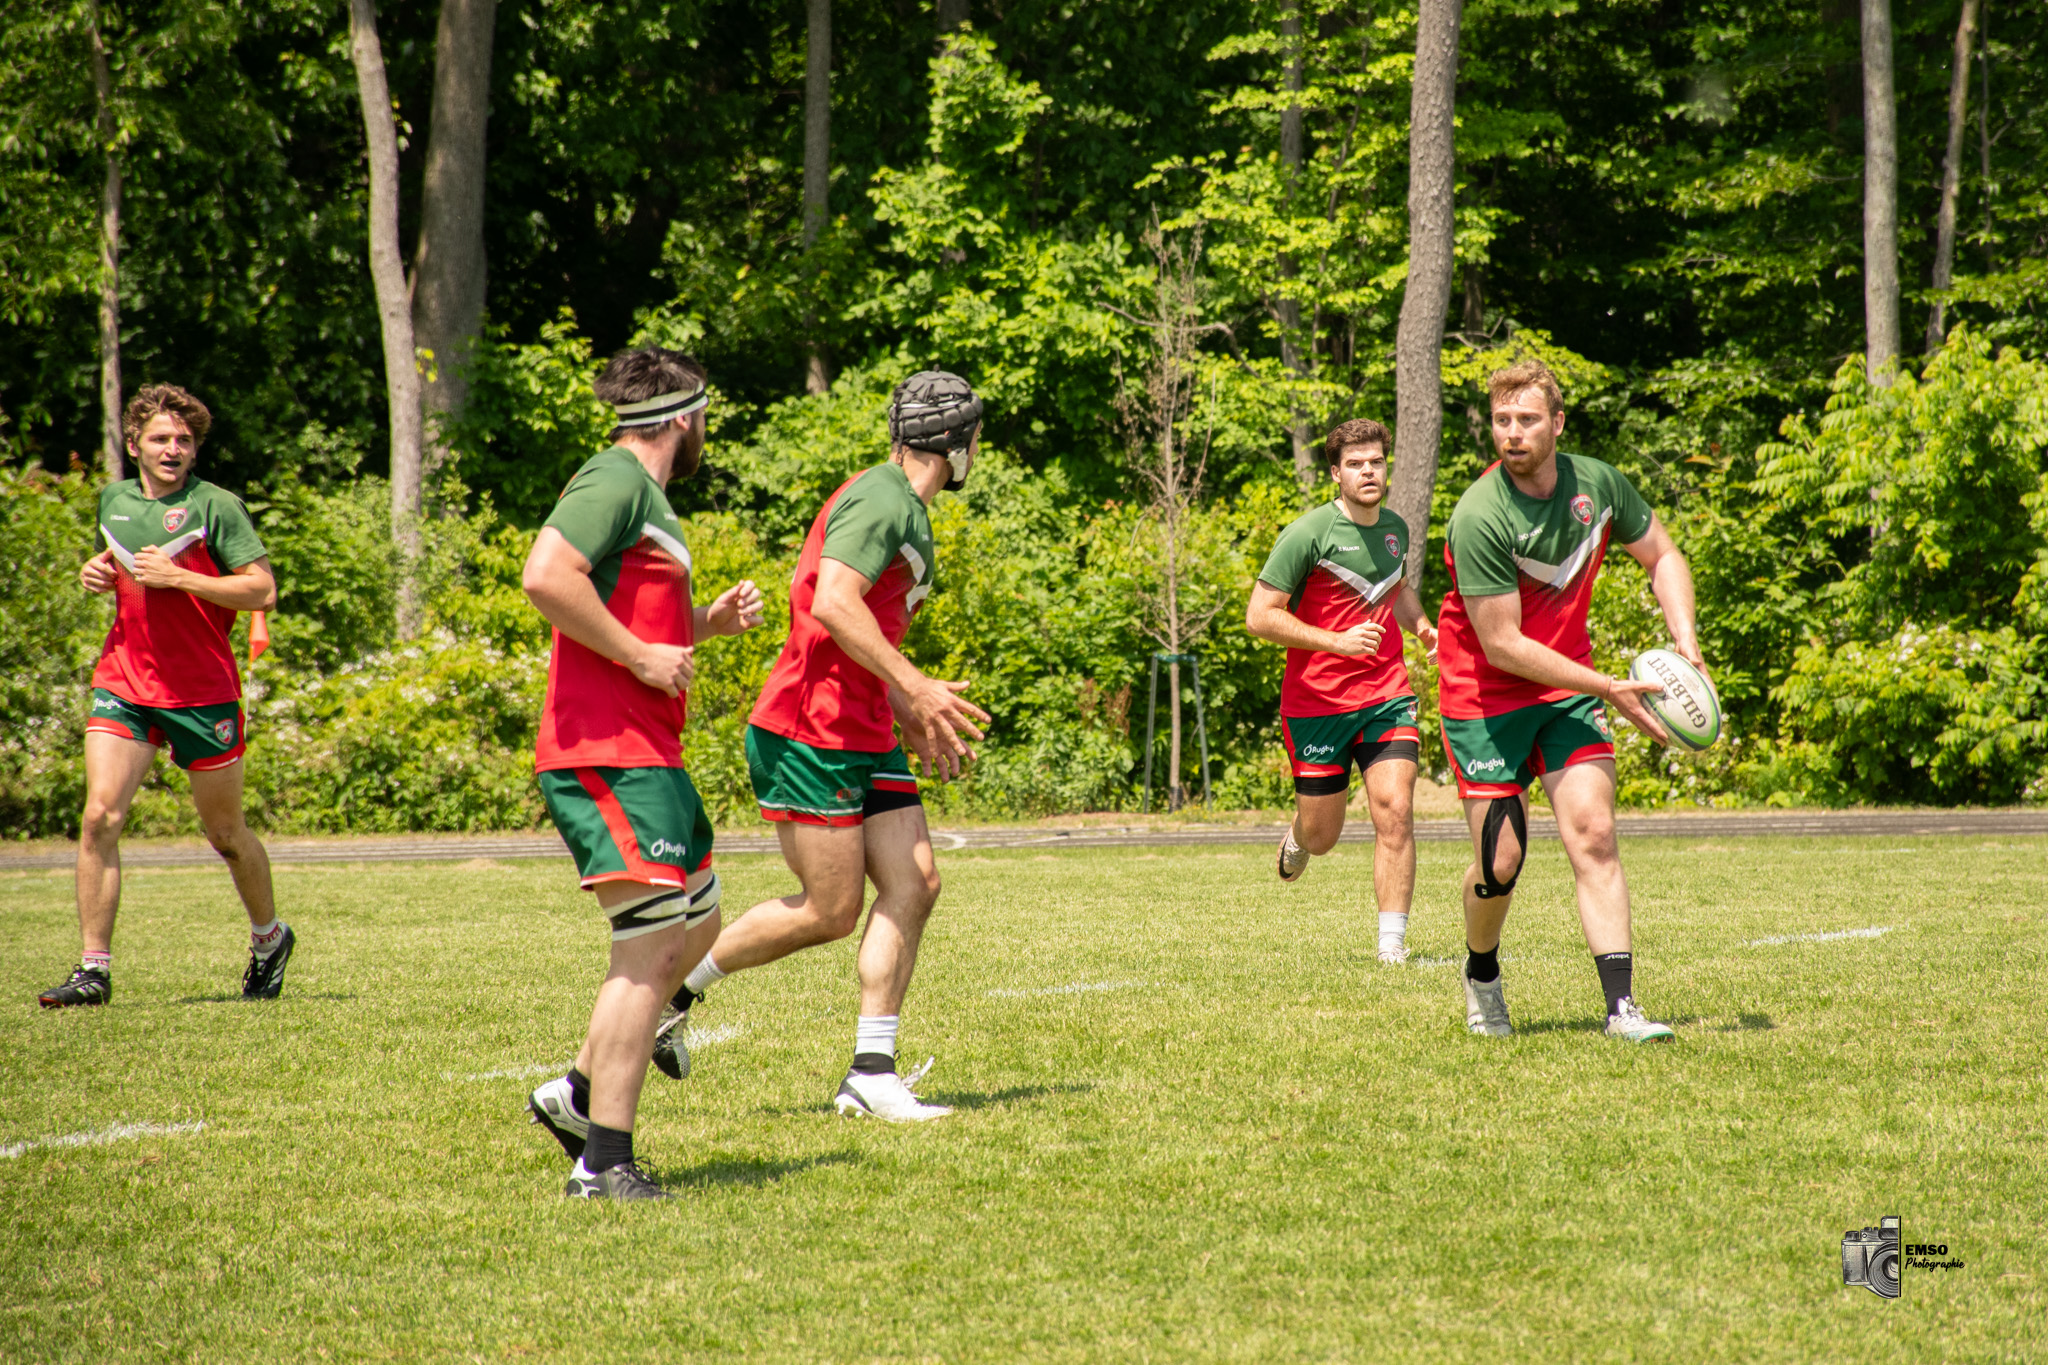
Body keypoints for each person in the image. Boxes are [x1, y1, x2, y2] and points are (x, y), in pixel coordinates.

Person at [662, 371, 989, 1123]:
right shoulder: (882, 497)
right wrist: (919, 685)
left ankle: (871, 1070)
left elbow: (859, 618)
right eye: (976, 437)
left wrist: (904, 704)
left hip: (862, 727)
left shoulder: (902, 502)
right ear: (957, 442)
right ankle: (672, 994)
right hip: (811, 728)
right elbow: (831, 601)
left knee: (915, 883)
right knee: (831, 908)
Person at [520, 347, 764, 1200]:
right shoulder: (618, 479)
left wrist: (703, 624)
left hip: (649, 751)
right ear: (684, 417)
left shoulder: (643, 498)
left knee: (697, 919)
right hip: (605, 749)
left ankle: (578, 1095)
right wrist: (639, 655)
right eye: (707, 419)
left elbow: (637, 619)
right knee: (655, 943)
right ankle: (604, 1162)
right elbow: (547, 576)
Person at [1435, 358, 1701, 1043]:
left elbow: (1663, 555)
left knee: (1595, 832)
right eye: (1501, 421)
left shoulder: (1599, 485)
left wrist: (1685, 643)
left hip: (1567, 691)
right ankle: (1482, 972)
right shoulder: (1479, 515)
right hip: (1485, 696)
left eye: (1526, 420)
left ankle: (1622, 1008)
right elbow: (1502, 645)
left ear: (1557, 422)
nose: (1512, 434)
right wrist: (1609, 686)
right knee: (1501, 862)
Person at [38, 385, 286, 1009]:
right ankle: (93, 970)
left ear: (195, 450)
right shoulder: (114, 499)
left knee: (225, 833)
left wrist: (183, 577)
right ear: (134, 445)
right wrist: (95, 570)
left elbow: (261, 591)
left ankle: (269, 939)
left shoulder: (216, 506)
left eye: (183, 440)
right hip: (124, 681)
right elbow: (118, 559)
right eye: (160, 438)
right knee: (100, 815)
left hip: (202, 692)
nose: (172, 448)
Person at [1246, 418, 1438, 963]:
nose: (1368, 470)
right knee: (1323, 835)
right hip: (1317, 705)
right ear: (1336, 473)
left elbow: (1396, 588)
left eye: (1376, 461)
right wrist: (1336, 641)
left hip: (1386, 693)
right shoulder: (1307, 534)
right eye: (1355, 464)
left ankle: (1392, 946)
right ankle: (1299, 836)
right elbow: (1259, 617)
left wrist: (1421, 624)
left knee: (1395, 809)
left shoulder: (1396, 528)